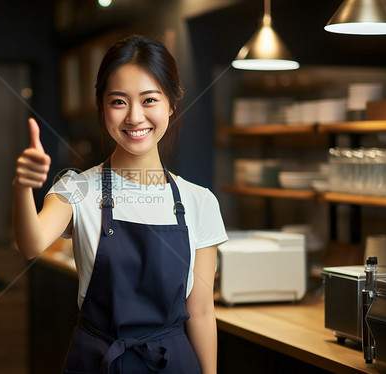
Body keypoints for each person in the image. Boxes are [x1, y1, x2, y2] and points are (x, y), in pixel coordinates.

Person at [12, 35, 228, 374]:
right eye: (118, 102)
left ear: (171, 104)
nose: (134, 116)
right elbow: (31, 244)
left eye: (149, 100)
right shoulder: (77, 189)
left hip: (173, 364)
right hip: (97, 362)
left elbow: (200, 312)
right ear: (102, 107)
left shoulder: (199, 201)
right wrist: (23, 187)